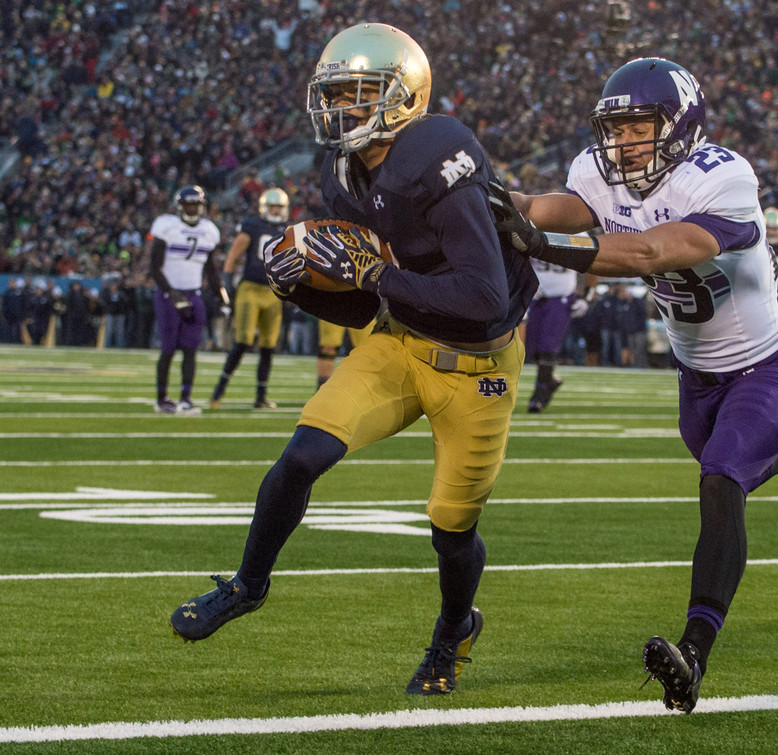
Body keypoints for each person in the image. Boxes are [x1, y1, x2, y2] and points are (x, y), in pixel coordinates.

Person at [487, 57, 778, 714]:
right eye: (618, 127)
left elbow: (654, 251)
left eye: (640, 125)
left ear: (680, 124)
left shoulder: (720, 177)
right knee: (741, 467)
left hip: (770, 366)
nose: (625, 141)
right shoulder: (599, 171)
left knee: (722, 477)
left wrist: (538, 245)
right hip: (698, 383)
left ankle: (694, 651)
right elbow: (566, 207)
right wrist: (506, 204)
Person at [170, 23, 538, 697]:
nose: (342, 109)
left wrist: (370, 277)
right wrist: (300, 284)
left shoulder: (439, 151)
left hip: (478, 367)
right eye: (335, 94)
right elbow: (365, 308)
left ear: (403, 96)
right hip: (400, 340)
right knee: (301, 455)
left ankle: (455, 627)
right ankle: (249, 584)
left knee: (451, 529)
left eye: (358, 93)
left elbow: (482, 297)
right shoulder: (343, 171)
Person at [209, 188, 292, 410]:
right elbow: (233, 256)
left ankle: (260, 396)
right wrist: (227, 286)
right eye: (272, 207)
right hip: (250, 289)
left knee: (268, 345)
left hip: (274, 292)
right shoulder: (252, 226)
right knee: (243, 340)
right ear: (264, 207)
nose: (275, 211)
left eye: (279, 207)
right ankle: (218, 391)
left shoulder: (288, 230)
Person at [147, 185, 226, 414]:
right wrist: (172, 294)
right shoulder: (167, 226)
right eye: (188, 205)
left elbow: (212, 270)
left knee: (191, 349)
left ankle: (186, 397)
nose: (192, 209)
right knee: (168, 349)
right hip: (168, 294)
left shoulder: (209, 230)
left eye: (195, 205)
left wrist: (221, 296)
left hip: (194, 293)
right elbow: (154, 267)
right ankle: (162, 398)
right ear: (180, 206)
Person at [523, 260, 587, 411]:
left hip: (561, 296)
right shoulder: (533, 234)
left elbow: (591, 264)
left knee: (548, 347)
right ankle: (549, 381)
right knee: (534, 348)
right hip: (536, 296)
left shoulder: (579, 235)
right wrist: (525, 282)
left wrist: (586, 295)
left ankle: (540, 393)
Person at [315, 318, 375, 390]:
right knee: (328, 347)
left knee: (368, 349)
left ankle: (367, 388)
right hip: (334, 308)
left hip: (363, 309)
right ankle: (321, 388)